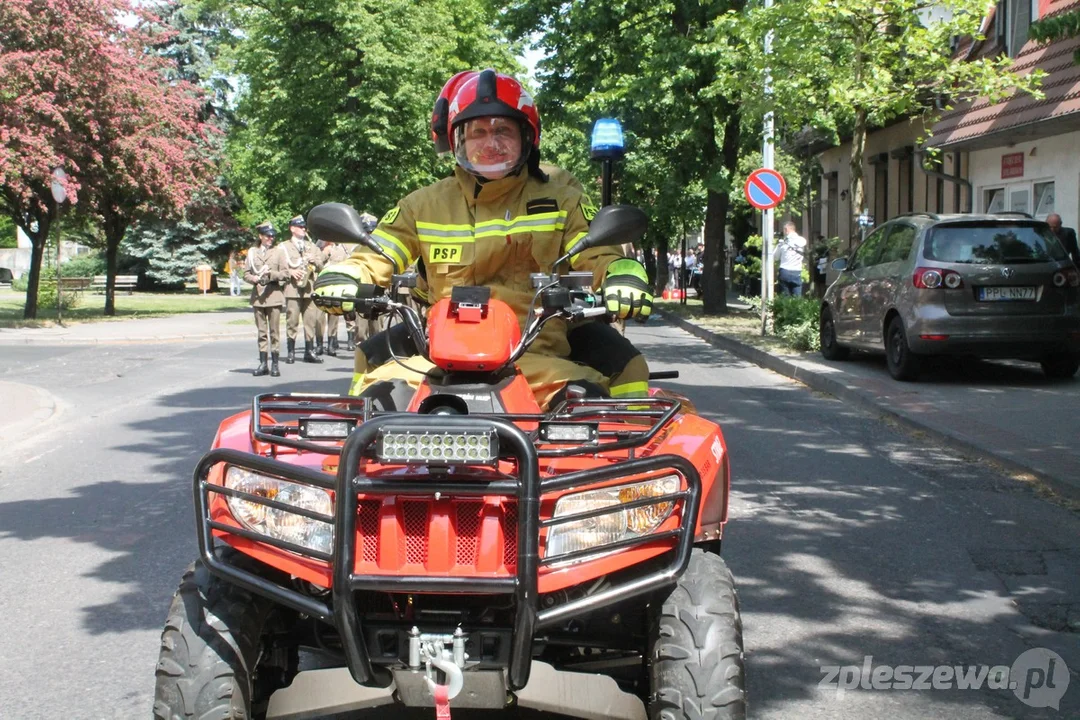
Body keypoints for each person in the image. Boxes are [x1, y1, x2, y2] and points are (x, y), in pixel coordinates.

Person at [314, 69, 652, 409]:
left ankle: (636, 452)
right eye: (478, 132)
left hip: (535, 357)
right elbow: (379, 252)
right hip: (437, 359)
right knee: (373, 390)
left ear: (527, 137)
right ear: (458, 139)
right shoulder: (423, 204)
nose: (491, 143)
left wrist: (622, 273)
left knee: (606, 407)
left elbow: (598, 252)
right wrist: (347, 274)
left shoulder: (563, 200)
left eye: (503, 130)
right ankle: (347, 455)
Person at [280, 214, 326, 364]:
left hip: (309, 288)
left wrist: (314, 261)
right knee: (292, 321)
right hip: (293, 289)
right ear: (292, 228)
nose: (303, 229)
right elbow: (279, 267)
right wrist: (290, 272)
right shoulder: (284, 247)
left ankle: (309, 351)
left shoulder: (311, 246)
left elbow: (321, 266)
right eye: (300, 227)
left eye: (304, 227)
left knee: (310, 321)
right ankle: (291, 352)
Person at [244, 222, 287, 377]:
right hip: (258, 297)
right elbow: (246, 273)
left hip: (274, 296)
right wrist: (254, 279)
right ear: (260, 236)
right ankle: (263, 364)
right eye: (268, 236)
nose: (271, 238)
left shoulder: (279, 252)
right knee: (262, 332)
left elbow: (285, 273)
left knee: (274, 332)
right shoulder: (252, 252)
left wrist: (271, 275)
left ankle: (275, 364)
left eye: (273, 236)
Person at [773, 221, 807, 297]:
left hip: (784, 271)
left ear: (786, 229)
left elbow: (775, 257)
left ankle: (785, 307)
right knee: (797, 297)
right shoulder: (802, 241)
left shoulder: (782, 243)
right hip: (797, 272)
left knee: (785, 297)